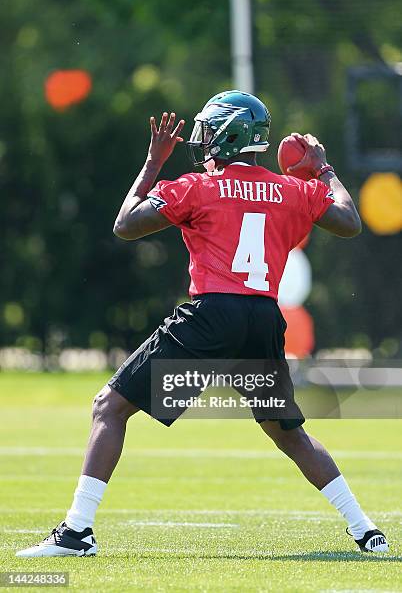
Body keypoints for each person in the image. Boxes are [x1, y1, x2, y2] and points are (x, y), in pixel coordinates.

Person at [17, 90, 388, 557]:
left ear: (230, 134)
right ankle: (366, 530)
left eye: (211, 130)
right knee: (287, 431)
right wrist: (324, 169)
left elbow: (125, 224)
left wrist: (154, 161)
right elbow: (350, 221)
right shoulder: (294, 189)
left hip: (213, 314)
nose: (204, 140)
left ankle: (76, 533)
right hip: (262, 319)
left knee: (109, 407)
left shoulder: (198, 185)